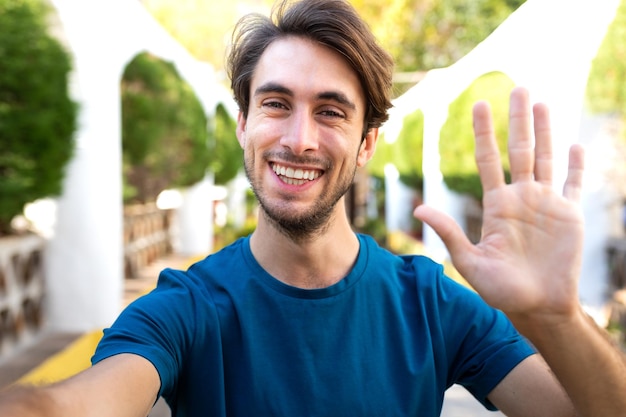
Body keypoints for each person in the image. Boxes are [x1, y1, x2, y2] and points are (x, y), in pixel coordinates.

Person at [1, 0, 625, 415]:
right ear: (243, 123)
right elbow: (70, 406)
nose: (299, 138)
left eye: (331, 111)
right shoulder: (185, 308)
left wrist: (557, 317)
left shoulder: (430, 302)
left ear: (366, 143)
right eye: (276, 104)